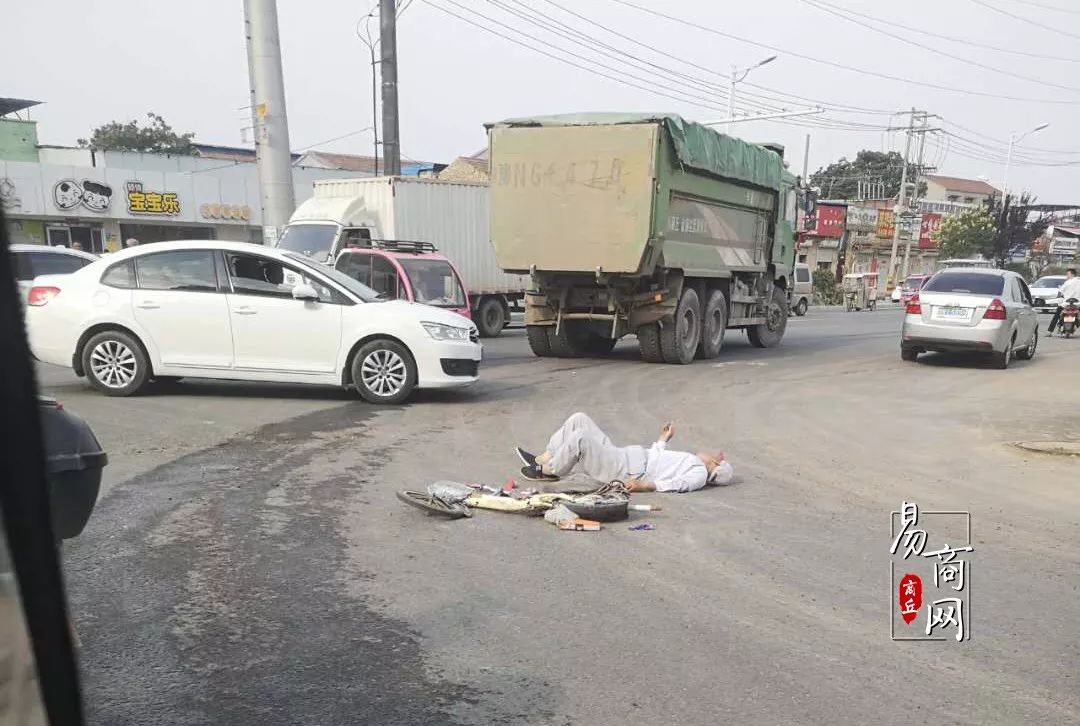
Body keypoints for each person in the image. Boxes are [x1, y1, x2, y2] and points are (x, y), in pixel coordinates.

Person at [516, 412, 733, 493]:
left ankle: (550, 470)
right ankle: (544, 458)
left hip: (625, 469)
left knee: (581, 438)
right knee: (579, 419)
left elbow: (679, 485)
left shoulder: (699, 474)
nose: (709, 452)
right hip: (624, 457)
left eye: (713, 456)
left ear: (715, 464)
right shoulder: (692, 462)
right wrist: (663, 440)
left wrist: (645, 485)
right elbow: (658, 459)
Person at [1048, 268, 1080, 336]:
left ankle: (1050, 331)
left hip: (1066, 304)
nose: (1067, 276)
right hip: (1078, 304)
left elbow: (1061, 291)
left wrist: (1059, 297)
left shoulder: (1067, 282)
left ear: (1072, 274)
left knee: (1057, 315)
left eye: (1068, 274)